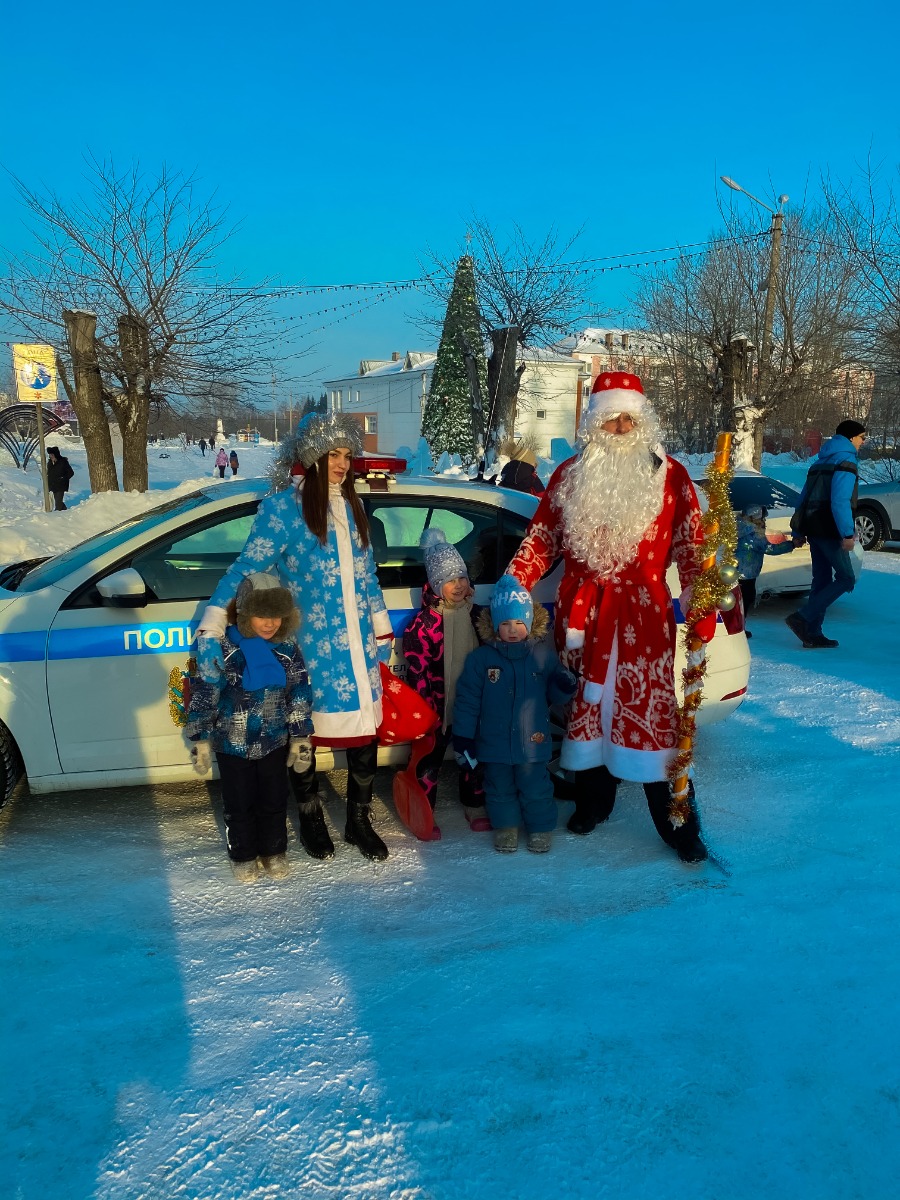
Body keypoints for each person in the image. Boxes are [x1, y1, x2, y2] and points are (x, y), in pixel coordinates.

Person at [503, 370, 708, 863]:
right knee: (587, 711)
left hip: (644, 619)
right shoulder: (570, 475)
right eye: (610, 419)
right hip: (585, 618)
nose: (619, 427)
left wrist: (703, 604)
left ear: (642, 422)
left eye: (628, 418)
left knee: (655, 720)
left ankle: (678, 822)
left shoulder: (672, 476)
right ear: (594, 424)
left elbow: (693, 548)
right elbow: (540, 539)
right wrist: (512, 589)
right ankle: (595, 802)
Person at [199, 411, 395, 862]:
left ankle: (359, 822)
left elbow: (366, 575)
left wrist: (380, 624)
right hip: (313, 648)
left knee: (365, 736)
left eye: (347, 455)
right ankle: (311, 818)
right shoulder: (284, 508)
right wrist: (213, 621)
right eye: (333, 454)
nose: (343, 464)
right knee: (303, 731)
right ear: (313, 457)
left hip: (359, 645)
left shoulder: (354, 506)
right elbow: (246, 568)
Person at [185, 573, 314, 883]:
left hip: (273, 740)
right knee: (239, 802)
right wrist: (200, 738)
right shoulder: (225, 649)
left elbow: (298, 692)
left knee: (273, 799)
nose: (269, 623)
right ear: (243, 613)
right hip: (232, 743)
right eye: (261, 615)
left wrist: (300, 736)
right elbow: (206, 691)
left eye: (275, 615)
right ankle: (243, 854)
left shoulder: (287, 649)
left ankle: (273, 851)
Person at [452, 575, 576, 854]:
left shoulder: (542, 655)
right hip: (493, 743)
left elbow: (555, 696)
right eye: (505, 623)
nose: (512, 630)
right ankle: (506, 828)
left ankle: (540, 829)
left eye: (519, 623)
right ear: (495, 626)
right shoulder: (481, 660)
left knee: (536, 788)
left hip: (533, 741)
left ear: (530, 624)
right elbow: (468, 701)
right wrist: (463, 737)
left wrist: (564, 685)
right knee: (499, 788)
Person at [402, 529, 489, 835]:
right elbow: (418, 667)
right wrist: (427, 708)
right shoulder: (426, 623)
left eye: (462, 577)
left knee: (473, 758)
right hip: (437, 708)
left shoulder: (479, 617)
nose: (458, 585)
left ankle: (475, 804)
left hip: (472, 707)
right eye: (449, 580)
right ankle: (425, 808)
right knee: (429, 760)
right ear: (437, 586)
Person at [785, 419, 866, 649]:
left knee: (821, 580)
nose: (863, 442)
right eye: (861, 437)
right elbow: (840, 500)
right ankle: (802, 617)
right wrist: (848, 534)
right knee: (846, 578)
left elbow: (803, 498)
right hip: (830, 530)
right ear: (851, 438)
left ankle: (812, 633)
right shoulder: (846, 461)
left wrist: (798, 530)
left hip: (813, 528)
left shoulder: (819, 463)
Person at [735, 504, 794, 637]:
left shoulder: (739, 527)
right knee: (745, 600)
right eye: (762, 518)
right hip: (747, 573)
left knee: (737, 601)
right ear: (754, 518)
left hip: (736, 571)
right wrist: (792, 544)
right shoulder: (753, 533)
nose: (764, 521)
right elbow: (770, 549)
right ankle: (738, 629)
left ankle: (737, 627)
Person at [46, 446, 74, 511]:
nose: (51, 456)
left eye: (52, 455)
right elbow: (49, 474)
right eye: (50, 455)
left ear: (56, 454)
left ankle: (56, 515)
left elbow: (71, 472)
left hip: (61, 485)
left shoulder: (63, 462)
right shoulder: (50, 463)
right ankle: (64, 509)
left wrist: (63, 479)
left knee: (58, 503)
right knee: (58, 500)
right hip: (53, 485)